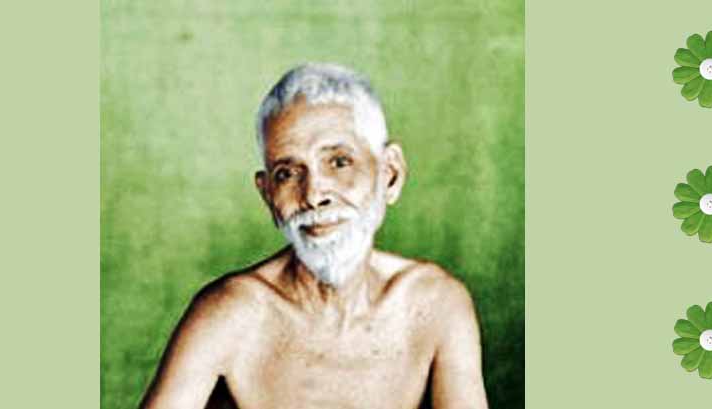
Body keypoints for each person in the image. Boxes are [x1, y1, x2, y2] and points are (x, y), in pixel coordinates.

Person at [141, 63, 489, 409]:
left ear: (390, 174)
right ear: (268, 195)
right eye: (287, 173)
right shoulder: (233, 314)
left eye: (339, 162)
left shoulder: (435, 304)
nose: (313, 195)